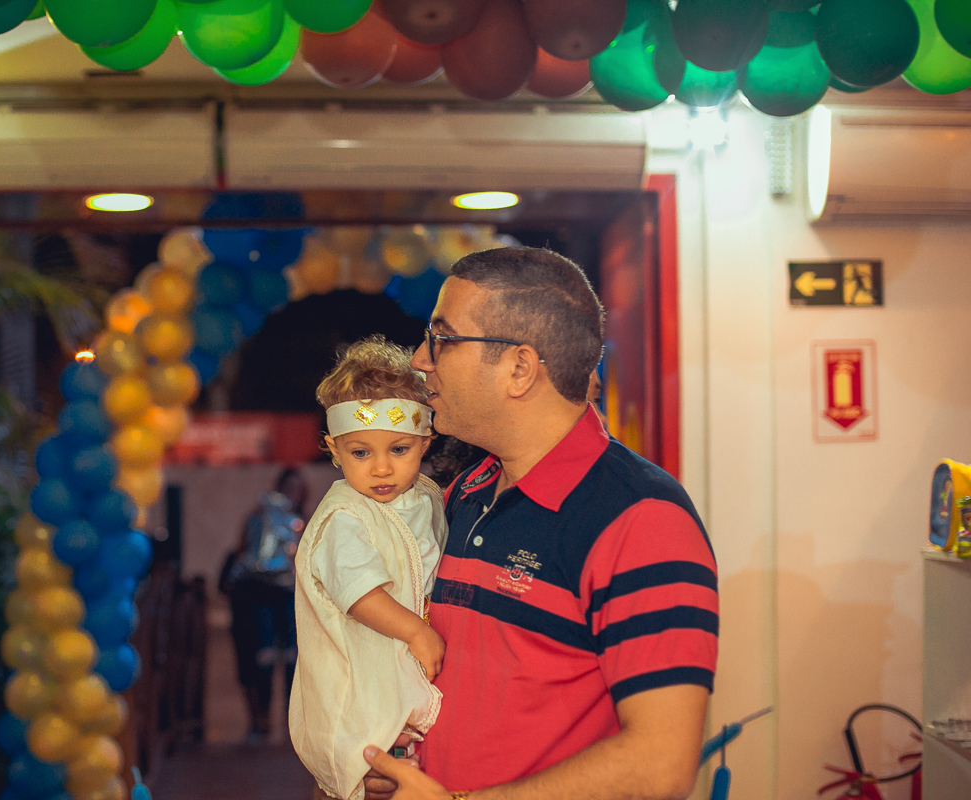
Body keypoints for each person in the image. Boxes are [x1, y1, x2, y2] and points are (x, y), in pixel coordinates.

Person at [363, 246, 719, 800]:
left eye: (442, 338)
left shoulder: (640, 519)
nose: (419, 359)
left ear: (520, 368)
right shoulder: (468, 492)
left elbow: (659, 764)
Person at [290, 336, 448, 800]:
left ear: (425, 442)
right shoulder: (344, 518)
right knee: (367, 769)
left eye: (398, 450)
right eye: (361, 453)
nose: (380, 469)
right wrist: (419, 632)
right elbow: (361, 594)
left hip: (403, 674)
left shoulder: (428, 496)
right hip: (361, 676)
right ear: (334, 450)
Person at [220, 467, 307, 742]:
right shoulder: (259, 517)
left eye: (296, 489)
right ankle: (262, 722)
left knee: (295, 659)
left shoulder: (302, 522)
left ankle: (293, 724)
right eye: (287, 488)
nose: (291, 494)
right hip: (261, 594)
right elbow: (245, 550)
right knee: (264, 656)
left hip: (291, 597)